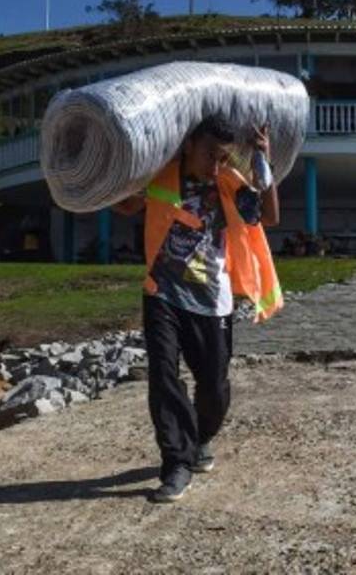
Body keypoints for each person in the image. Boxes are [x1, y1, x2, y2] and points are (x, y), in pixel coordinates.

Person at [112, 115, 282, 503]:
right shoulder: (162, 178)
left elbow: (269, 217)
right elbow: (123, 205)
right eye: (210, 154)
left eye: (223, 157)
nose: (216, 165)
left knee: (215, 388)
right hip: (163, 292)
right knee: (163, 375)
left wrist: (262, 159)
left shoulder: (228, 184)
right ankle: (176, 463)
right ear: (189, 145)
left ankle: (200, 437)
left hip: (212, 302)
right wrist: (102, 174)